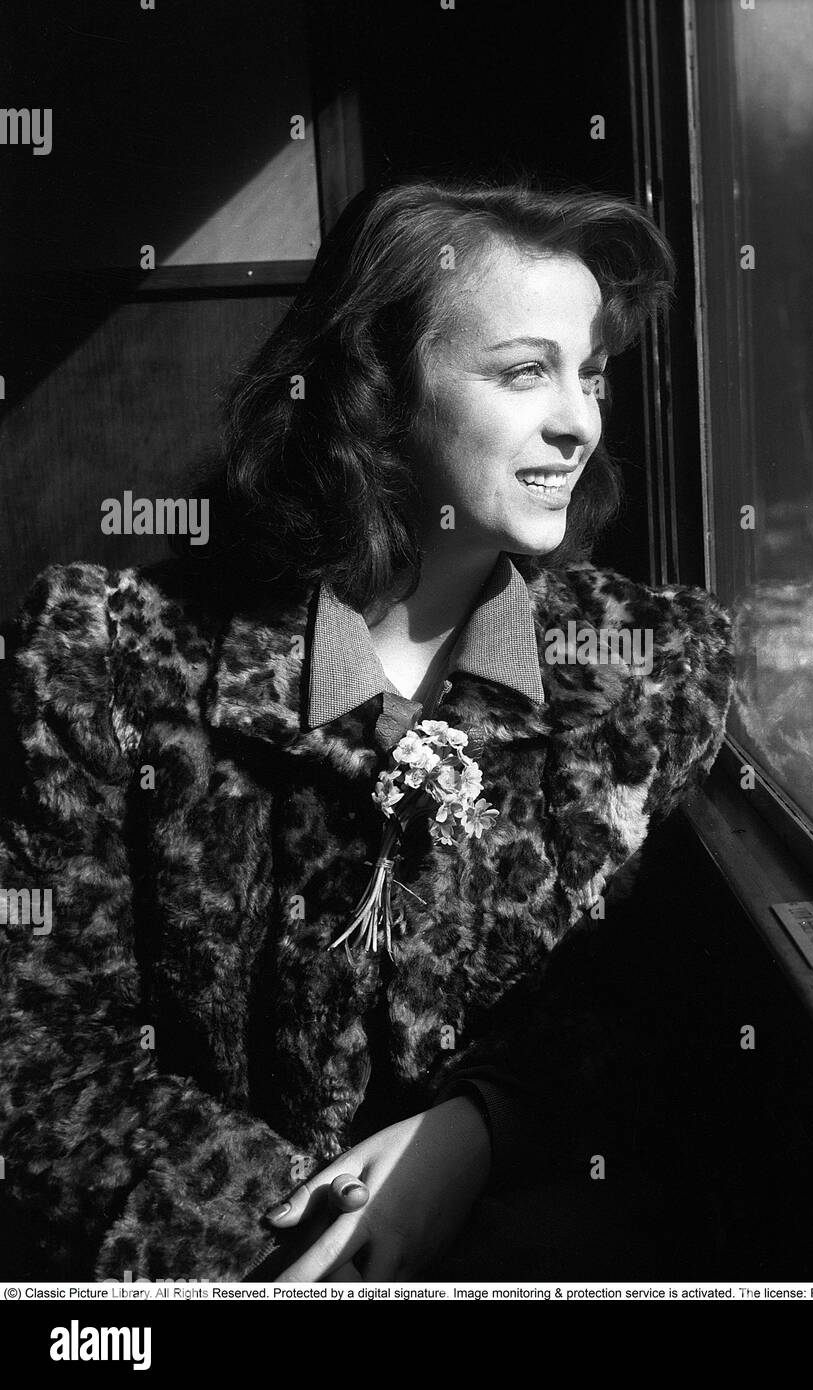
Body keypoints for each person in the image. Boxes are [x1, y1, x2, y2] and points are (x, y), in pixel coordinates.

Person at [0, 178, 734, 1281]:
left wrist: (474, 1131)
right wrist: (322, 1248)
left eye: (588, 374)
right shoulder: (110, 659)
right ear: (374, 389)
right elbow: (41, 1063)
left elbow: (643, 1014)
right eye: (525, 370)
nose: (578, 419)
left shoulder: (644, 674)